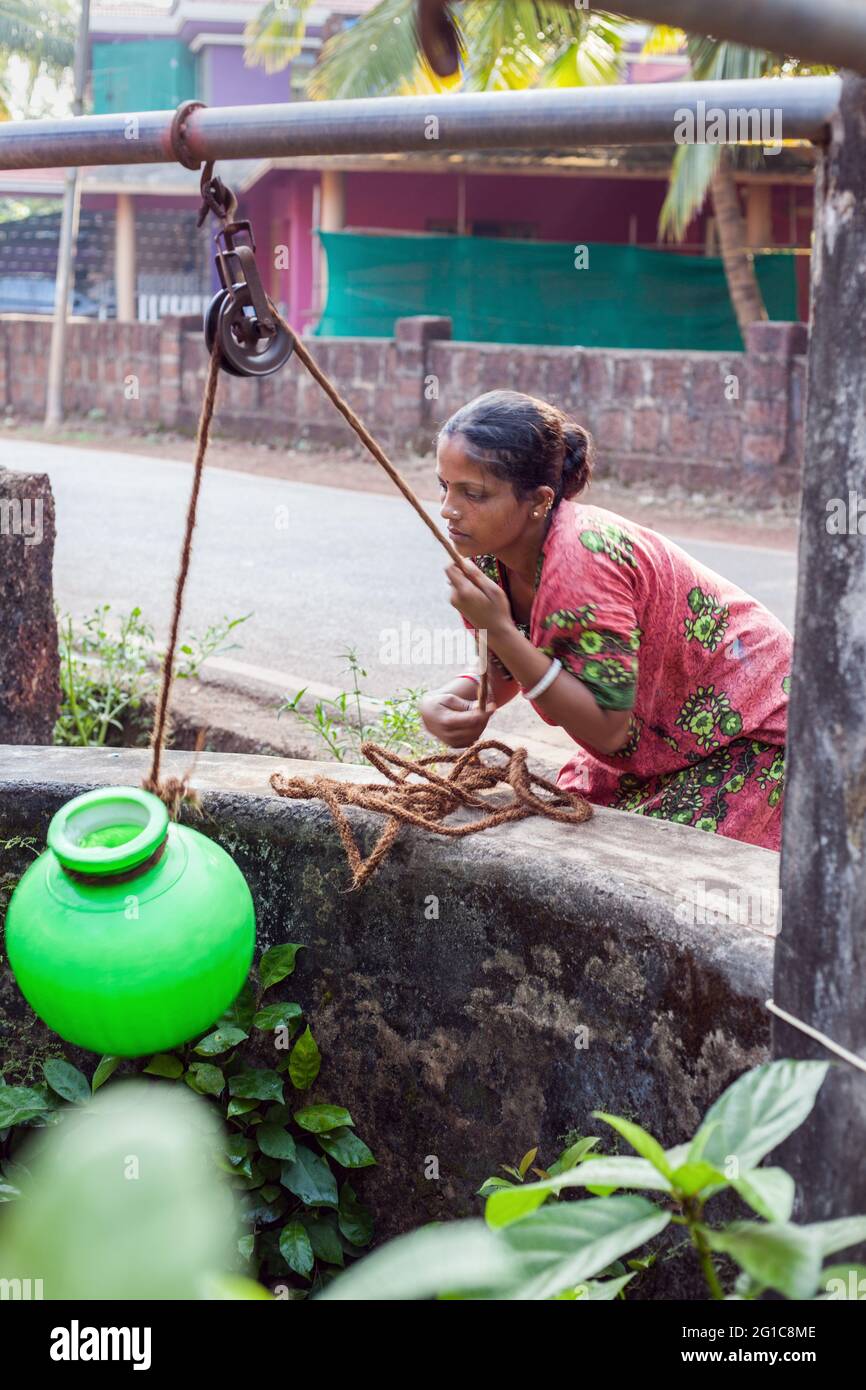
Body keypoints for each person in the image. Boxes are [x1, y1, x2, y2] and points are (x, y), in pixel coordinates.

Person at [419, 389, 791, 851]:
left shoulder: (583, 560)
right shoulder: (489, 558)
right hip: (653, 741)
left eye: (473, 493)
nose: (448, 509)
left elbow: (607, 728)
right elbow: (510, 672)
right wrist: (455, 699)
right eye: (444, 486)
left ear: (538, 501)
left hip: (748, 735)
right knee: (560, 840)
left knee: (647, 872)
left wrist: (495, 628)